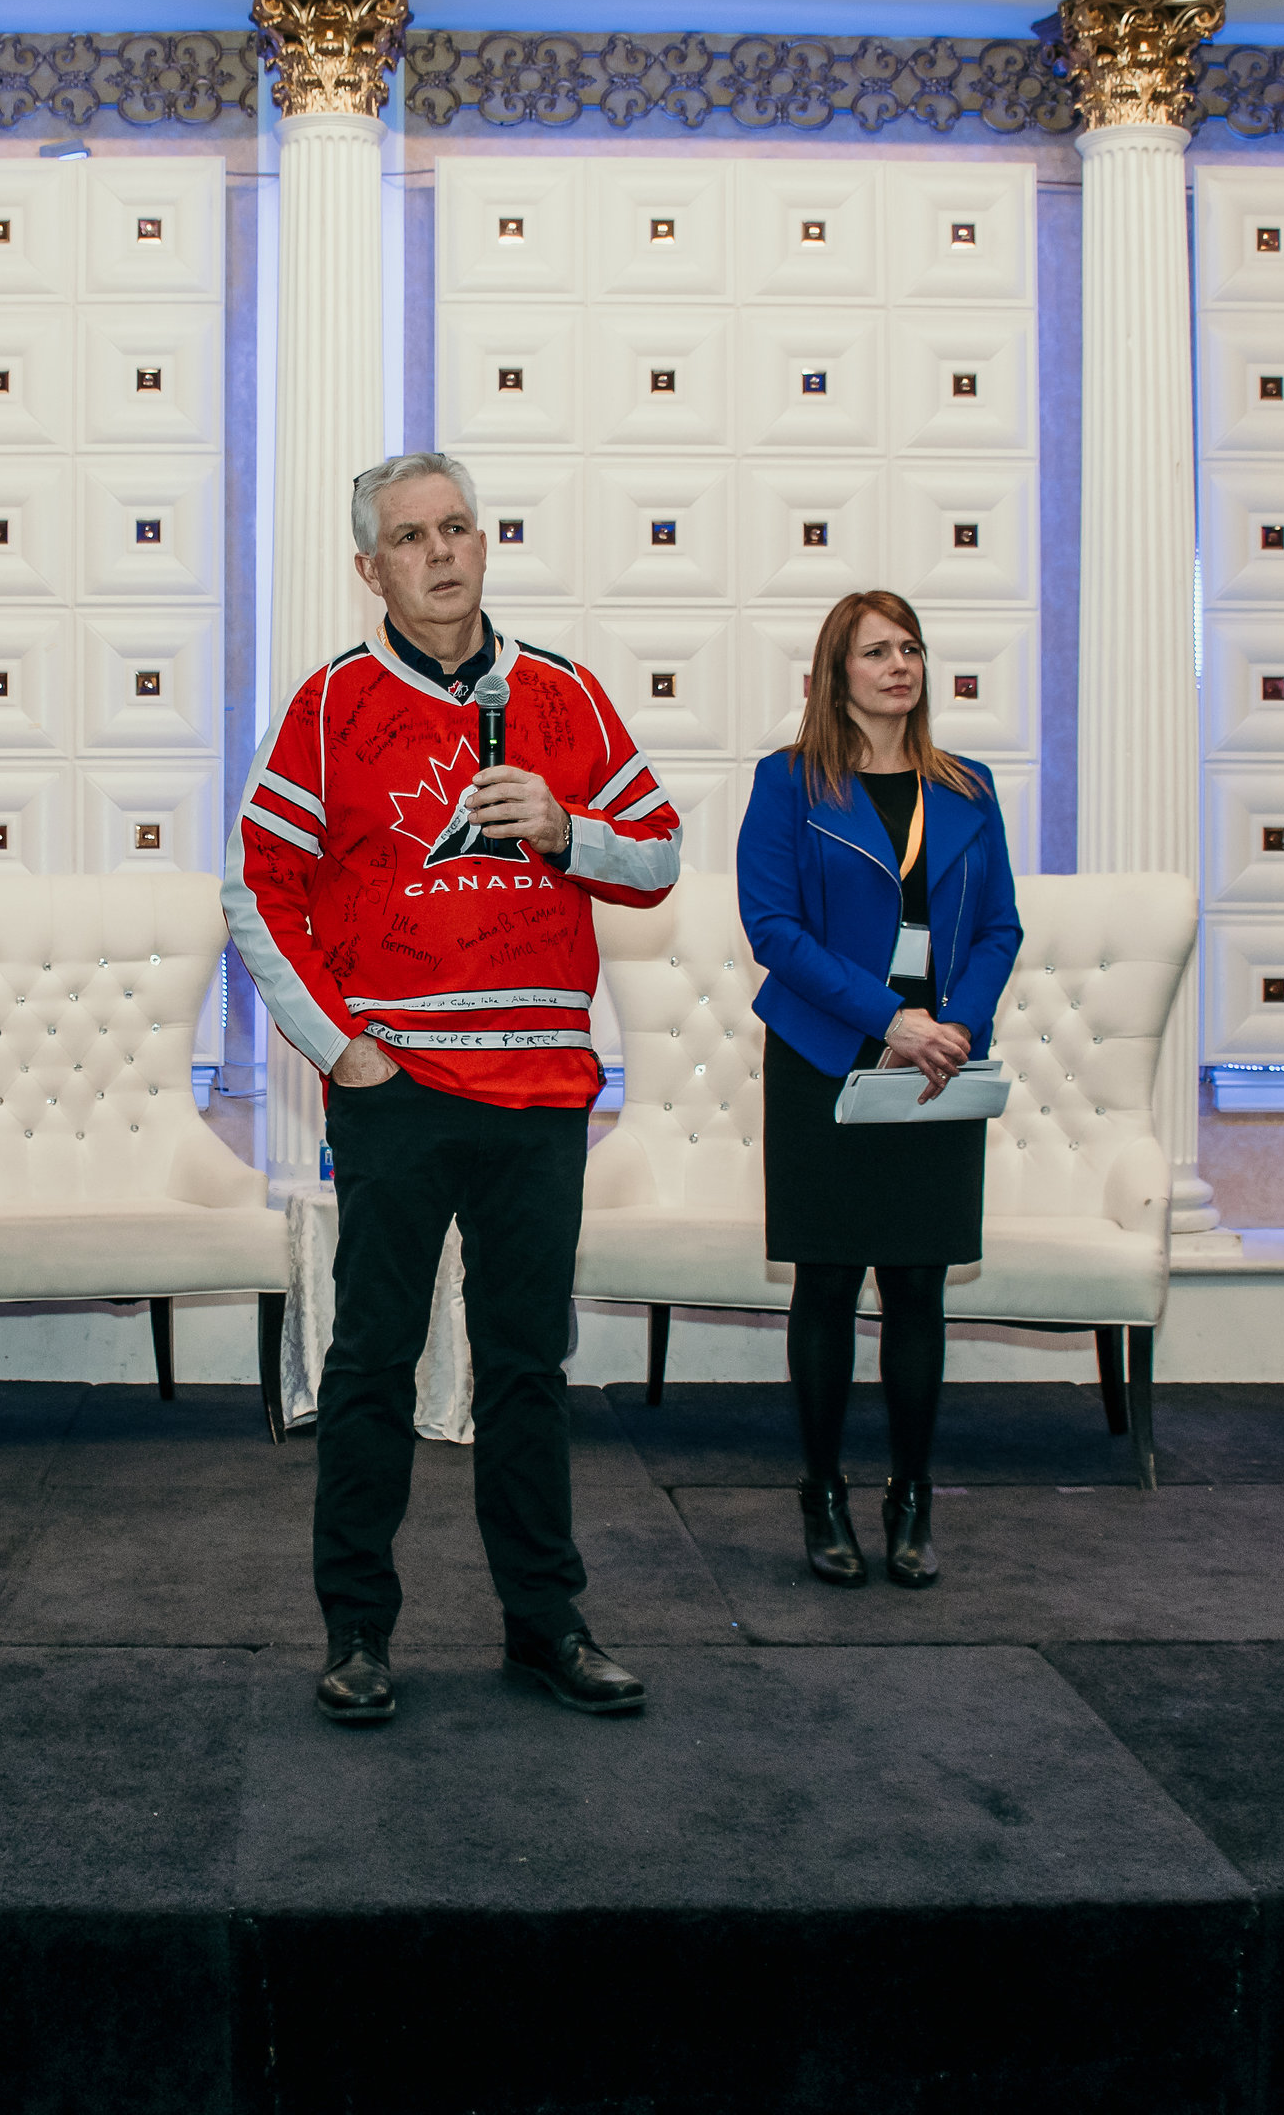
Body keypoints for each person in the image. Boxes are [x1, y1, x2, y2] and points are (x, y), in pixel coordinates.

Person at [227, 451, 683, 1726]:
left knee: (528, 1366)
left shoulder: (564, 695)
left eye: (458, 528)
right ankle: (357, 1632)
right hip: (401, 1086)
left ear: (485, 543)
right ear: (369, 568)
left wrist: (567, 828)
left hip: (541, 1089)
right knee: (372, 1362)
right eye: (410, 538)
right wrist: (342, 1051)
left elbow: (658, 857)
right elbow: (256, 884)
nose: (440, 553)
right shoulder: (331, 703)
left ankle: (546, 1626)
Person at [736, 590, 1022, 1593]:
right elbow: (773, 930)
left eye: (910, 648)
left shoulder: (968, 786)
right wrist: (888, 1019)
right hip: (827, 1054)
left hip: (938, 1058)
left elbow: (999, 928)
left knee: (917, 1287)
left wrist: (955, 1028)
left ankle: (911, 1498)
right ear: (836, 673)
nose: (899, 666)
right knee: (825, 1283)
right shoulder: (788, 783)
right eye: (875, 652)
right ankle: (821, 1495)